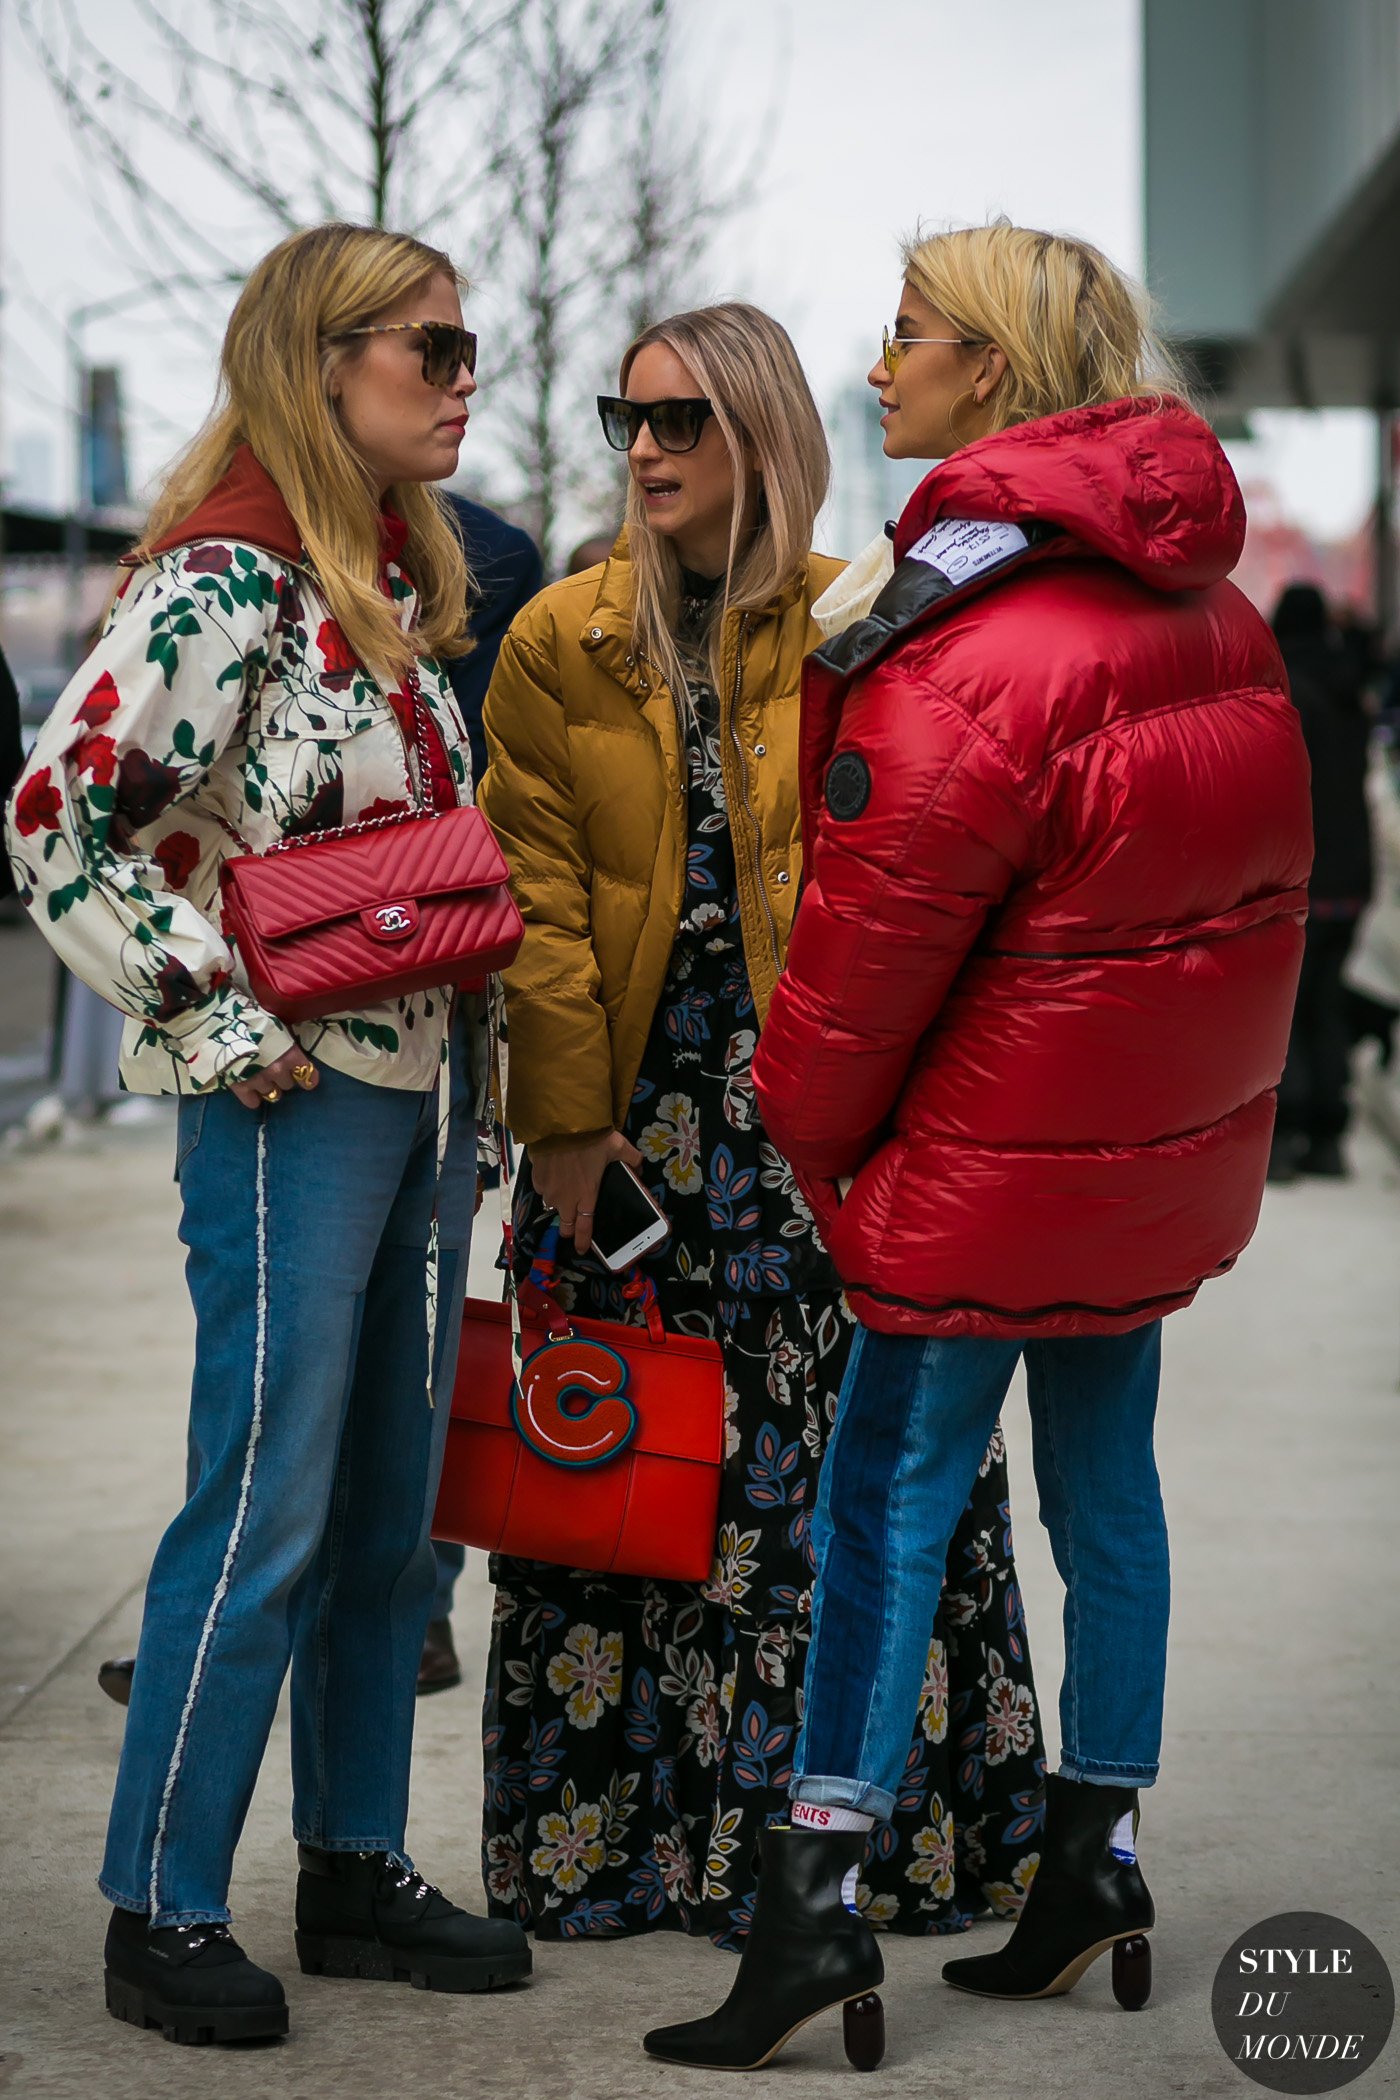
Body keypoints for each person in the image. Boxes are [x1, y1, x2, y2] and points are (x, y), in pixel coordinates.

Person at [643, 224, 1312, 2071]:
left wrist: (802, 1132)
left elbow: (861, 970)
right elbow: (1258, 908)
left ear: (993, 379)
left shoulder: (964, 639)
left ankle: (814, 1908)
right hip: (1132, 1160)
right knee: (1110, 1498)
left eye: (912, 336)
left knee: (884, 1505)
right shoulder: (1221, 617)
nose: (879, 365)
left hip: (973, 1163)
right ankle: (1095, 1859)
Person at [5, 220, 530, 2048]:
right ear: (321, 365)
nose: (465, 380)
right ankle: (160, 1902)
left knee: (394, 1519)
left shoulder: (373, 586)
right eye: (431, 350)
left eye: (472, 352)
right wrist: (207, 1015)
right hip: (287, 1112)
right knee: (265, 1510)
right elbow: (52, 818)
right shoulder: (223, 583)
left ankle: (357, 1865)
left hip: (417, 1105)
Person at [477, 300, 1043, 1950]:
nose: (643, 449)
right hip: (632, 1127)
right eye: (624, 419)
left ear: (763, 438)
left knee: (830, 1491)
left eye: (680, 422)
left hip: (817, 1119)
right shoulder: (558, 639)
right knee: (615, 1476)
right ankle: (619, 1850)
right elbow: (539, 892)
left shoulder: (862, 628)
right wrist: (569, 1118)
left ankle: (837, 1857)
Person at [1268, 583, 1374, 1179]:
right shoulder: (1349, 688)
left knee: (1286, 1007)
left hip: (1304, 874)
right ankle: (1330, 1137)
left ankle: (1285, 1136)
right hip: (1352, 877)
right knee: (1327, 1003)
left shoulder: (1284, 692)